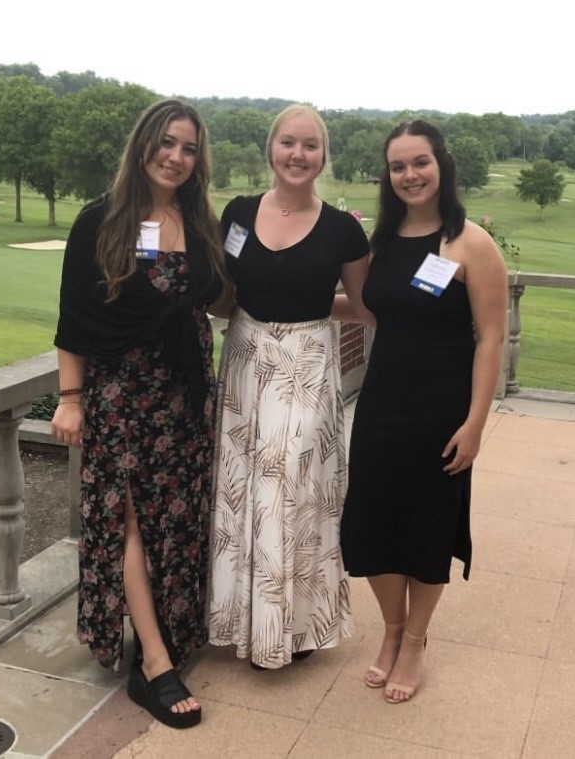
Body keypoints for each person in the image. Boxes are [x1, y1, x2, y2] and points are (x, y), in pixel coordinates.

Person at [51, 99, 226, 729]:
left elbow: (225, 296)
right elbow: (74, 319)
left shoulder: (197, 219)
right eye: (168, 143)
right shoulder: (99, 221)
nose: (177, 157)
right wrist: (70, 400)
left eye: (188, 148)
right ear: (144, 144)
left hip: (183, 395)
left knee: (173, 520)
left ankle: (168, 630)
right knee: (128, 517)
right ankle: (152, 662)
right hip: (121, 394)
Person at [339, 120, 507, 703]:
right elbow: (371, 310)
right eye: (398, 166)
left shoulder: (471, 243)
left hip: (442, 408)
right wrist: (280, 298)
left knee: (427, 525)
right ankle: (389, 630)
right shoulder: (381, 242)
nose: (409, 175)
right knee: (375, 519)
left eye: (420, 162)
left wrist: (475, 423)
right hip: (382, 402)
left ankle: (415, 641)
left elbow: (490, 337)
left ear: (442, 166)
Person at [207, 104, 371, 670]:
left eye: (310, 145)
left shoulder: (343, 230)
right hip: (245, 358)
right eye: (288, 143)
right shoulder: (237, 214)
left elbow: (367, 305)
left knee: (290, 491)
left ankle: (291, 628)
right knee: (240, 489)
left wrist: (440, 305)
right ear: (270, 149)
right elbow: (222, 292)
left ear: (323, 156)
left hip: (306, 362)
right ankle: (244, 622)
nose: (298, 155)